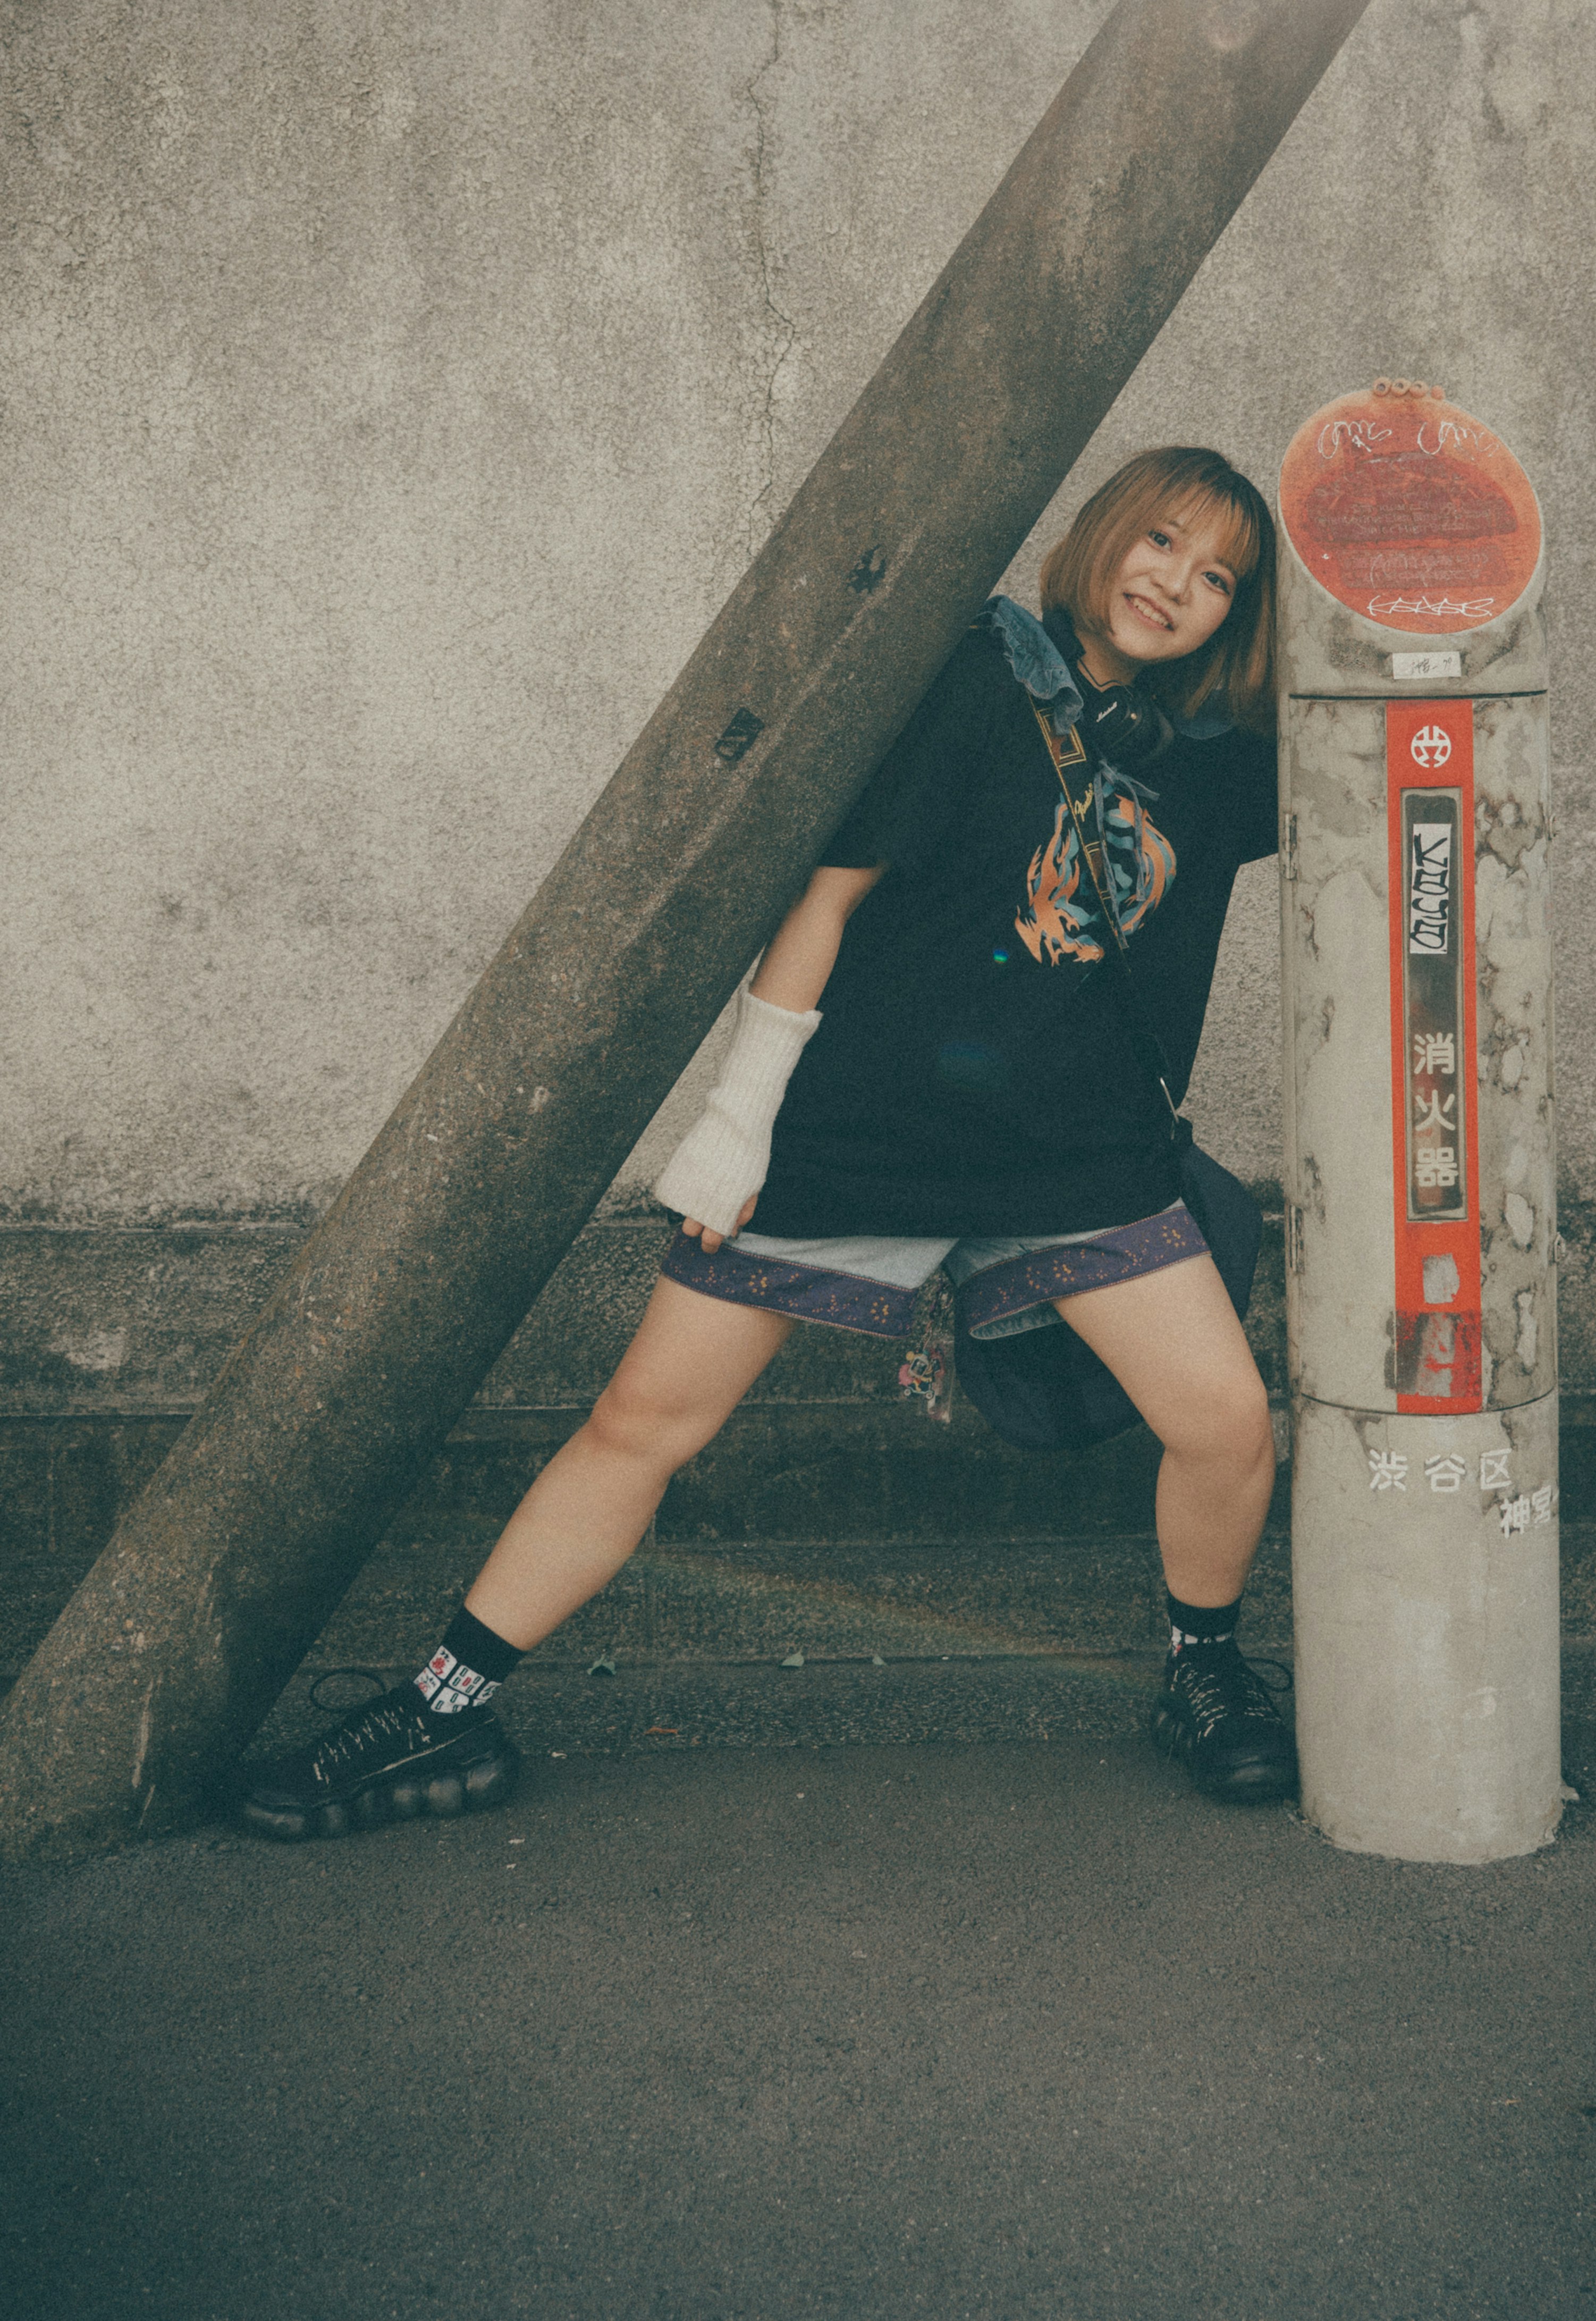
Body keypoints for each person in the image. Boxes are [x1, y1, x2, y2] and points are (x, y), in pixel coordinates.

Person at [237, 447, 1296, 1840]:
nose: (1179, 583)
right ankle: (442, 1703)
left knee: (1227, 1427)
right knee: (642, 1426)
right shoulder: (971, 683)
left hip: (1077, 1158)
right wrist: (733, 1130)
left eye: (1219, 576)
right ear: (1101, 539)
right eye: (1161, 541)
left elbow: (1385, 757)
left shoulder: (1213, 761)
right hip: (861, 1140)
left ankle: (1202, 1674)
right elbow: (823, 908)